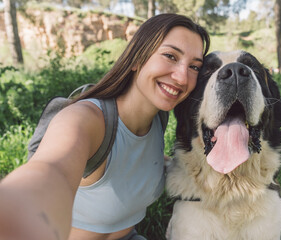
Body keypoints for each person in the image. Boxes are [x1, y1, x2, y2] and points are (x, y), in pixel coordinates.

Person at [0, 13, 210, 240]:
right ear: (138, 58)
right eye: (170, 56)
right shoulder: (85, 119)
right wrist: (19, 213)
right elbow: (52, 172)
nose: (182, 77)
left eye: (195, 67)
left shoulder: (158, 119)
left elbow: (138, 161)